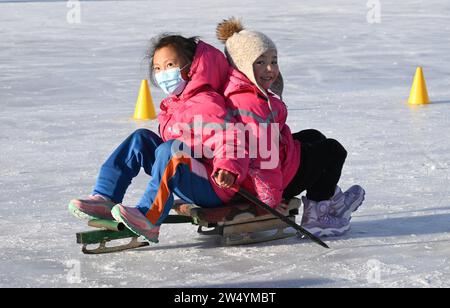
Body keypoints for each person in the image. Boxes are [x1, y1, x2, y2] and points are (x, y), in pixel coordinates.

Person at [69, 34, 248, 243]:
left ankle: (149, 216)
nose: (164, 74)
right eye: (158, 68)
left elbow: (231, 138)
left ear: (191, 67)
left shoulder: (206, 102)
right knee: (141, 138)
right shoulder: (176, 103)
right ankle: (105, 196)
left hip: (214, 186)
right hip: (188, 174)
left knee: (171, 150)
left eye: (170, 65)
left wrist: (227, 167)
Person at [216, 18, 365, 237]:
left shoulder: (238, 90)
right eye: (259, 62)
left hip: (256, 170)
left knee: (312, 136)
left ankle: (332, 197)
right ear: (241, 65)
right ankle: (318, 217)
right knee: (332, 151)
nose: (270, 69)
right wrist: (270, 202)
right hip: (263, 182)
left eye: (274, 61)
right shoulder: (252, 103)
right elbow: (263, 158)